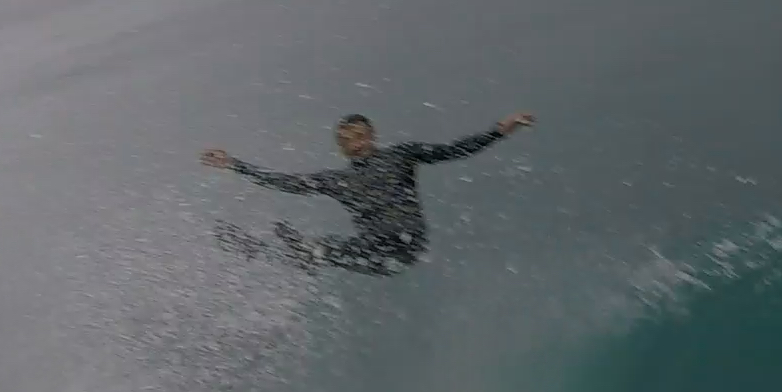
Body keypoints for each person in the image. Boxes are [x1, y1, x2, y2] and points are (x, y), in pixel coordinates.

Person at [202, 111, 534, 276]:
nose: (355, 144)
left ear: (372, 135)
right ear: (340, 147)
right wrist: (236, 165)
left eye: (359, 136)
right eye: (346, 141)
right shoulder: (337, 180)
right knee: (318, 251)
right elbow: (284, 182)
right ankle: (267, 252)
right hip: (373, 254)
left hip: (406, 249)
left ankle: (303, 252)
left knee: (320, 249)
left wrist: (498, 131)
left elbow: (453, 150)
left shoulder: (401, 155)